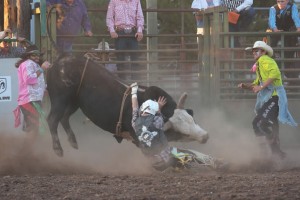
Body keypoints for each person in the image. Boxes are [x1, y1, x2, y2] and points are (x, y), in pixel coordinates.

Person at [130, 82, 226, 171]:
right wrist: (159, 107)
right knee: (190, 154)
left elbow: (135, 108)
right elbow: (158, 116)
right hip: (166, 156)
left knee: (178, 156)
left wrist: (134, 93)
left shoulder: (134, 123)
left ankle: (178, 168)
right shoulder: (157, 121)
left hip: (154, 163)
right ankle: (213, 163)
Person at [238, 41, 298, 159]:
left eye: (256, 50)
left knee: (260, 123)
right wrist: (246, 86)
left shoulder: (265, 60)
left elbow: (275, 73)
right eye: (253, 51)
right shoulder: (260, 64)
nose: (254, 53)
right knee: (258, 123)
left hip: (275, 98)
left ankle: (269, 149)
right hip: (272, 99)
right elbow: (257, 84)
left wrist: (261, 87)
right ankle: (273, 152)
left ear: (264, 51)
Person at [14, 45, 51, 139]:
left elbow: (37, 82)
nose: (37, 57)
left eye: (38, 55)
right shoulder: (28, 64)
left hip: (31, 100)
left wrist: (44, 89)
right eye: (34, 55)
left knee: (35, 125)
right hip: (29, 100)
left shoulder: (32, 64)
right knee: (36, 125)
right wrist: (42, 69)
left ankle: (29, 149)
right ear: (28, 56)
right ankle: (28, 149)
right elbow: (29, 79)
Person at [106, 0, 144, 79]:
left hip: (133, 33)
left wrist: (139, 31)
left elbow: (140, 17)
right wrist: (112, 30)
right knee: (120, 60)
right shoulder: (114, 1)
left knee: (135, 59)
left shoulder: (136, 1)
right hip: (119, 32)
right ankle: (122, 85)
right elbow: (109, 17)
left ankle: (135, 84)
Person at [268, 0, 300, 87]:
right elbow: (271, 21)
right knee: (272, 53)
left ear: (287, 1)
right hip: (276, 35)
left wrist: (298, 28)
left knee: (288, 57)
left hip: (289, 34)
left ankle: (292, 82)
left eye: (282, 1)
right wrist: (275, 29)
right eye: (278, 1)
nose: (280, 3)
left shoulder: (292, 7)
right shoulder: (273, 9)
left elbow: (296, 18)